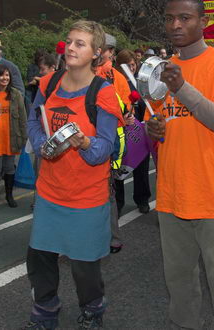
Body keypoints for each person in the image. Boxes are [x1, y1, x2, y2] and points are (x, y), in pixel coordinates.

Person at [146, 0, 214, 329]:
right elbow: (169, 123)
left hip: (213, 196)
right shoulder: (164, 70)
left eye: (185, 18)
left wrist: (183, 87)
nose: (175, 24)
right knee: (180, 284)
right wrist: (155, 128)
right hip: (172, 194)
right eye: (169, 17)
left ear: (203, 22)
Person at [25, 20, 123, 329]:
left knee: (84, 266)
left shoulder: (103, 93)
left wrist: (83, 143)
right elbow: (34, 122)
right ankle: (45, 312)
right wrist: (43, 145)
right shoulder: (49, 84)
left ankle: (93, 309)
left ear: (96, 53)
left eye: (80, 43)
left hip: (87, 196)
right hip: (50, 191)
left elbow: (104, 148)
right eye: (69, 41)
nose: (70, 47)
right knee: (39, 258)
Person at [95, 33, 132, 254]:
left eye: (104, 49)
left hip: (103, 140)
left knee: (104, 192)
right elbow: (126, 108)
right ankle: (111, 237)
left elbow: (124, 108)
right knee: (106, 191)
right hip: (108, 139)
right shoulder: (114, 76)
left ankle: (109, 237)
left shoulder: (108, 76)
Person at [0, 66, 27, 212]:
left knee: (9, 168)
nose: (5, 78)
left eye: (7, 75)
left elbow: (22, 118)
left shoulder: (16, 95)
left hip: (11, 138)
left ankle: (9, 196)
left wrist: (24, 137)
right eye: (1, 76)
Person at [115, 49, 152, 214]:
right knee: (119, 168)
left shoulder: (140, 83)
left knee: (141, 167)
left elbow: (149, 104)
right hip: (120, 130)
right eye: (127, 66)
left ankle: (142, 199)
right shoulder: (113, 82)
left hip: (138, 130)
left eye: (133, 65)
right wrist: (123, 118)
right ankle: (118, 202)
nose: (131, 69)